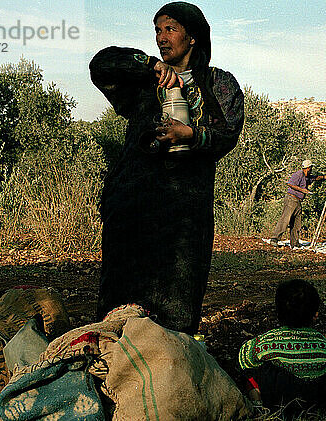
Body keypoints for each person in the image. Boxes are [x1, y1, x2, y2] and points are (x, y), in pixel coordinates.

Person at [89, 2, 244, 334]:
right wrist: (150, 65)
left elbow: (229, 132)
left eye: (170, 29)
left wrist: (192, 134)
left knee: (178, 294)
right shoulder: (144, 80)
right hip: (132, 204)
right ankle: (115, 372)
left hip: (184, 210)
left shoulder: (219, 84)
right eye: (157, 30)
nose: (161, 37)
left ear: (192, 38)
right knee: (120, 294)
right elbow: (100, 65)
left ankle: (168, 370)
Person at [238, 279, 326, 415]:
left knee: (251, 372)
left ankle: (258, 405)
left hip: (273, 403)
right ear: (315, 315)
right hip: (310, 406)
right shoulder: (324, 347)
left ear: (278, 312)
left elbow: (243, 359)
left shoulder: (266, 342)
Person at [270, 160, 326, 249]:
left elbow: (315, 178)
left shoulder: (306, 177)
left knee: (297, 223)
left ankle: (295, 243)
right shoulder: (298, 174)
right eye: (311, 168)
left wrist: (323, 177)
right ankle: (275, 239)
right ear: (308, 168)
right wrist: (302, 190)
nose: (311, 169)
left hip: (298, 201)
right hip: (291, 200)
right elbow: (290, 184)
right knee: (285, 219)